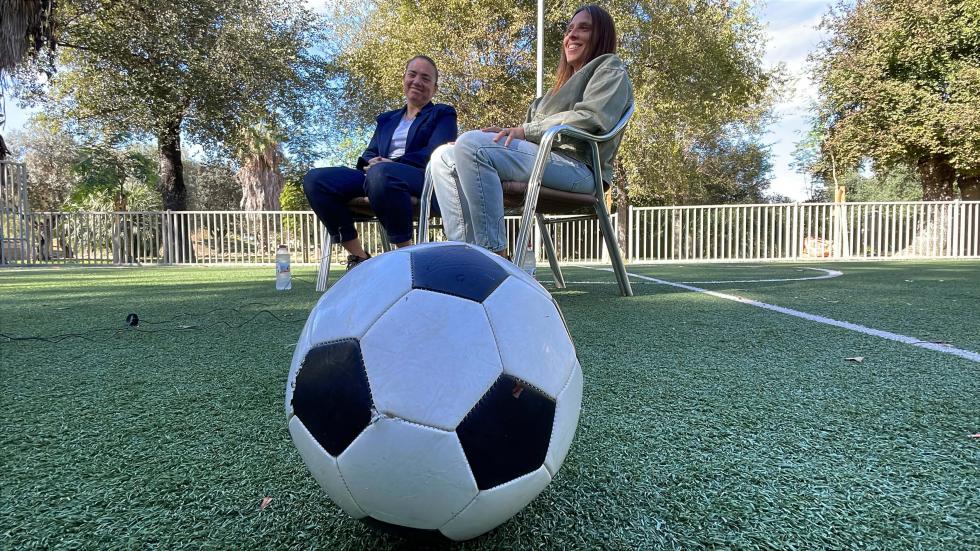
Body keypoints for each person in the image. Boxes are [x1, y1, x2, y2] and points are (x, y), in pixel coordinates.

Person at [427, 5, 632, 258]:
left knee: (472, 145)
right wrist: (511, 132)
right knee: (443, 157)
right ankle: (466, 254)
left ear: (602, 35)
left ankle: (494, 258)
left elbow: (590, 117)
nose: (571, 35)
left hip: (581, 169)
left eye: (584, 28)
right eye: (569, 30)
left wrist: (526, 130)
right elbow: (528, 134)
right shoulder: (555, 91)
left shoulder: (609, 68)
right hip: (547, 160)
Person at [304, 55, 457, 269]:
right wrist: (370, 162)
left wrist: (391, 164)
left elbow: (436, 152)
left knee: (383, 172)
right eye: (412, 74)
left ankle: (403, 257)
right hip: (377, 176)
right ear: (404, 78)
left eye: (425, 78)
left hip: (421, 177)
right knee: (316, 179)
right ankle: (359, 257)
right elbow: (369, 152)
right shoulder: (387, 119)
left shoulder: (443, 113)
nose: (417, 81)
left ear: (434, 88)